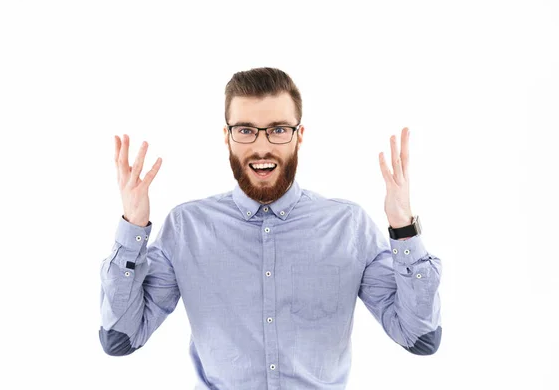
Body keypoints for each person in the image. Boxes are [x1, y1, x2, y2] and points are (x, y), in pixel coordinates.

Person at [99, 67, 442, 389]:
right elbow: (121, 338)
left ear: (299, 136)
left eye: (278, 130)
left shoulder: (348, 226)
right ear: (227, 136)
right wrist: (133, 225)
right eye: (245, 130)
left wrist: (403, 228)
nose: (262, 147)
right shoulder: (187, 228)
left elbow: (419, 337)